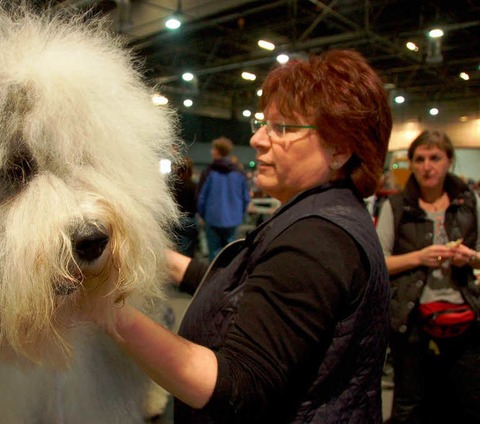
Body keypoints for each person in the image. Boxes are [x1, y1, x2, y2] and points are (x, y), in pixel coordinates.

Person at [94, 49, 392, 422]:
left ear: (341, 150)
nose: (257, 139)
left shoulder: (316, 240)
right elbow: (253, 296)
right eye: (263, 123)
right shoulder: (326, 216)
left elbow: (237, 389)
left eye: (282, 128)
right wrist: (162, 258)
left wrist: (107, 313)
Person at [375, 130, 480, 423]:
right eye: (419, 159)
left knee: (467, 399)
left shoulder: (469, 202)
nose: (426, 166)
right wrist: (419, 258)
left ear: (449, 161)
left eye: (435, 158)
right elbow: (377, 263)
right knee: (409, 403)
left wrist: (469, 257)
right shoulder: (395, 206)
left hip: (464, 315)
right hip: (411, 318)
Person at [197, 136, 250, 260]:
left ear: (217, 151)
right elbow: (246, 198)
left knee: (214, 255)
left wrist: (203, 214)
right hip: (233, 220)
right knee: (230, 254)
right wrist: (239, 214)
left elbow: (201, 197)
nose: (211, 151)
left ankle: (214, 279)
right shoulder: (239, 173)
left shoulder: (208, 172)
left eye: (213, 149)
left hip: (212, 218)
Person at [170, 156, 199, 257]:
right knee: (187, 252)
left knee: (173, 250)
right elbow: (196, 205)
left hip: (174, 220)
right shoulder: (193, 186)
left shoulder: (172, 185)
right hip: (189, 221)